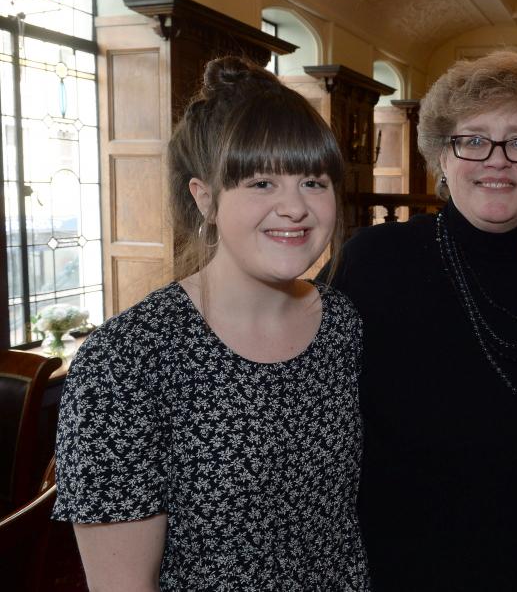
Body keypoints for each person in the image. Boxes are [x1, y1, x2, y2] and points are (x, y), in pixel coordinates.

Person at [52, 57, 370, 591]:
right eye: (262, 182)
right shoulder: (127, 360)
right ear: (206, 199)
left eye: (313, 181)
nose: (294, 207)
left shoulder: (342, 324)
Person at [329, 51, 517, 590]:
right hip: (408, 566)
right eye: (472, 140)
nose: (497, 160)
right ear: (442, 158)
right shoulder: (376, 260)